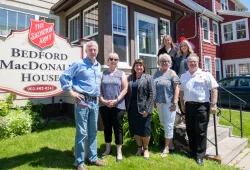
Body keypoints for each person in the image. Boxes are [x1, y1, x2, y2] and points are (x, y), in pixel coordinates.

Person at [59, 41, 106, 170]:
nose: (93, 52)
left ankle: (93, 158)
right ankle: (79, 162)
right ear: (86, 51)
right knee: (82, 132)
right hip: (82, 102)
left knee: (93, 132)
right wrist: (71, 92)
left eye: (95, 49)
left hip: (94, 102)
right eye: (90, 49)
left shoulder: (98, 65)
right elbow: (64, 76)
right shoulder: (78, 64)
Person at [179, 54, 218, 166]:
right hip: (189, 106)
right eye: (190, 61)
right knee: (190, 130)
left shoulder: (205, 74)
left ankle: (200, 155)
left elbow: (214, 88)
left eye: (194, 61)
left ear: (198, 62)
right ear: (187, 63)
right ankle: (192, 151)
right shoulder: (184, 76)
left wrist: (213, 104)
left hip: (202, 106)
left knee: (200, 131)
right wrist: (182, 104)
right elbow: (181, 92)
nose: (192, 63)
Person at [99, 53, 128, 162]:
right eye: (111, 58)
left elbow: (125, 89)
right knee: (107, 127)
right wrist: (102, 100)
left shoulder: (122, 74)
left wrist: (116, 100)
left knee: (117, 128)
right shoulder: (103, 74)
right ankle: (107, 149)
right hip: (104, 105)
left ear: (117, 61)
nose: (113, 61)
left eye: (115, 59)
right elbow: (99, 89)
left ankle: (119, 151)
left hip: (118, 106)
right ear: (107, 61)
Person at [125, 59, 154, 159]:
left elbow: (152, 94)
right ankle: (139, 147)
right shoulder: (129, 78)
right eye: (137, 65)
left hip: (143, 109)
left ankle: (146, 149)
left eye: (141, 65)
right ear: (134, 67)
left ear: (143, 67)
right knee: (136, 129)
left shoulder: (148, 78)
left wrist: (148, 109)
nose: (139, 67)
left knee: (145, 130)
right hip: (131, 108)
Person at [153, 53, 180, 158]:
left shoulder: (172, 73)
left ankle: (166, 147)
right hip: (159, 103)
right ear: (159, 63)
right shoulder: (156, 74)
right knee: (164, 123)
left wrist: (175, 102)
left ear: (170, 63)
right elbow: (153, 87)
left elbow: (176, 88)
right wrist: (155, 102)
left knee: (168, 124)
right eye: (162, 61)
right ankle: (171, 143)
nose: (164, 63)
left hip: (169, 103)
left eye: (166, 61)